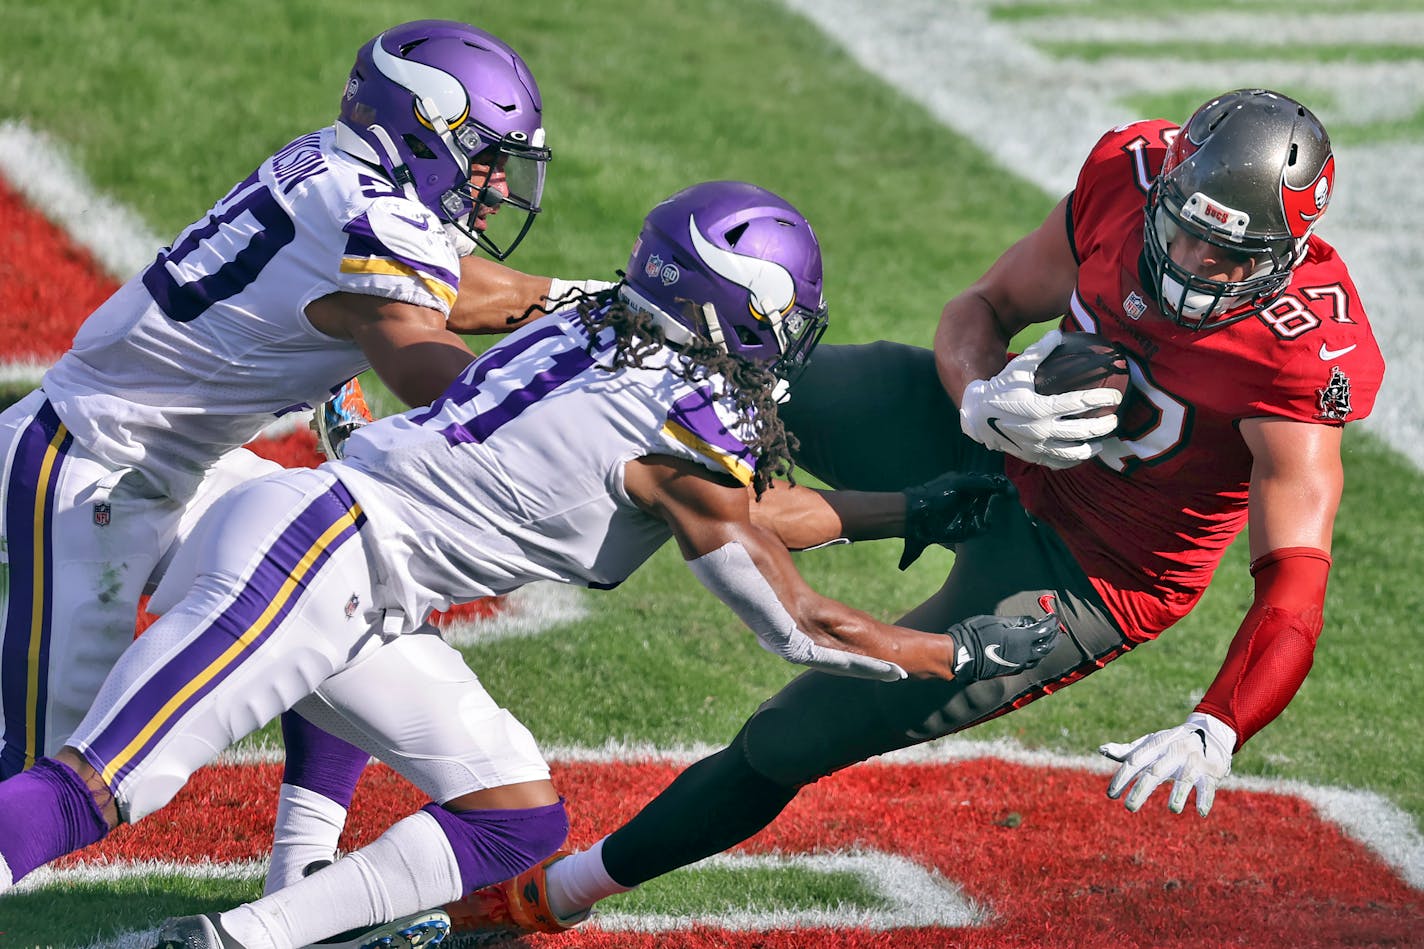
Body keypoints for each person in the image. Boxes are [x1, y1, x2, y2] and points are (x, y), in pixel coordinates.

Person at [0, 180, 1059, 949]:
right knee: (95, 788)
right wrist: (949, 648)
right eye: (778, 322)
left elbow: (728, 507)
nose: (783, 348)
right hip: (316, 559)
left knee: (511, 820)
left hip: (347, 566)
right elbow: (794, 622)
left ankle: (231, 943)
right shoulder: (677, 440)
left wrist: (903, 510)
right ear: (731, 314)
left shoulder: (601, 324)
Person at [445, 88, 1387, 938]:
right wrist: (979, 395)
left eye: (1224, 252)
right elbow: (983, 304)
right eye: (1181, 227)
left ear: (1290, 250)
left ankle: (547, 898)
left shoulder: (1303, 356)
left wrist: (1220, 720)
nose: (1186, 260)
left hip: (1088, 571)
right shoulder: (1125, 178)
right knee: (739, 365)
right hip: (992, 441)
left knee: (790, 738)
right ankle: (445, 343)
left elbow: (1296, 577)